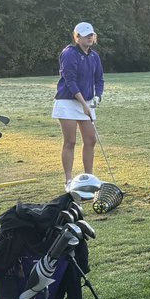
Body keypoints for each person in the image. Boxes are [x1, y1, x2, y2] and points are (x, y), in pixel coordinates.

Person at [52, 21, 105, 184]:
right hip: (68, 101)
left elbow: (99, 79)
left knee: (90, 140)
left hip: (87, 101)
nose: (89, 38)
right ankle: (68, 180)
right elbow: (70, 81)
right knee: (70, 141)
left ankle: (89, 178)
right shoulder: (69, 53)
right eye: (85, 35)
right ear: (77, 37)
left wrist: (97, 97)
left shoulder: (94, 56)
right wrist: (83, 103)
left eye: (91, 35)